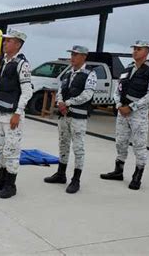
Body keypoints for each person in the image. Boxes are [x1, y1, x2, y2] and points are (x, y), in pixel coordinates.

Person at [100, 40, 149, 190]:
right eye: (134, 49)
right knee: (120, 141)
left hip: (138, 114)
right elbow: (117, 89)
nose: (135, 51)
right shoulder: (128, 68)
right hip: (122, 112)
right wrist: (119, 105)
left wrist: (132, 107)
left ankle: (137, 176)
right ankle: (118, 171)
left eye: (139, 49)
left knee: (139, 145)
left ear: (147, 52)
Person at [0, 29, 32, 199]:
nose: (4, 43)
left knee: (11, 150)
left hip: (12, 116)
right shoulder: (3, 61)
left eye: (9, 41)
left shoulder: (21, 64)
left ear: (18, 44)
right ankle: (1, 179)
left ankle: (11, 185)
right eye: (5, 41)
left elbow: (27, 91)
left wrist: (18, 113)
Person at [44, 45, 97, 194]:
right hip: (64, 116)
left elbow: (88, 95)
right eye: (72, 54)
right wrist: (60, 102)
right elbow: (60, 91)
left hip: (78, 117)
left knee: (78, 148)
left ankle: (76, 179)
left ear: (84, 57)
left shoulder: (90, 74)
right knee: (63, 144)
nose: (72, 57)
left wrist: (68, 103)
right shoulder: (68, 73)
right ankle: (61, 174)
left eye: (76, 55)